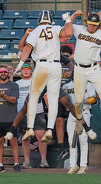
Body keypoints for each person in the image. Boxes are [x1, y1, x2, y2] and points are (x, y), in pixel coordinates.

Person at [14, 10, 73, 143]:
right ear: (50, 20)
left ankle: (29, 128)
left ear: (39, 20)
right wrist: (68, 19)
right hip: (56, 66)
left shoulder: (35, 31)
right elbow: (69, 32)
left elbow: (27, 49)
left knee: (34, 97)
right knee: (53, 100)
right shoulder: (56, 28)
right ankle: (50, 130)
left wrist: (20, 65)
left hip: (42, 65)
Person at [15, 63, 49, 169]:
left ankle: (43, 159)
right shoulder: (17, 84)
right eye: (23, 69)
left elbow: (45, 95)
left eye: (28, 69)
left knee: (41, 135)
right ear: (21, 72)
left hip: (38, 111)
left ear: (31, 71)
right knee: (25, 138)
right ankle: (26, 161)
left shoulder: (36, 81)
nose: (25, 71)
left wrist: (49, 109)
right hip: (23, 113)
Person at [0, 65, 21, 173]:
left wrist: (4, 96)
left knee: (13, 141)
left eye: (5, 71)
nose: (3, 73)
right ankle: (0, 165)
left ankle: (16, 164)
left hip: (10, 118)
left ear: (8, 73)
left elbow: (13, 100)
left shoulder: (13, 85)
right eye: (1, 71)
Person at [63, 80, 96, 174]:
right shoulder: (67, 86)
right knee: (71, 140)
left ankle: (83, 165)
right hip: (71, 113)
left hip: (84, 111)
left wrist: (83, 100)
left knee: (83, 139)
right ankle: (73, 164)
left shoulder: (88, 84)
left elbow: (93, 99)